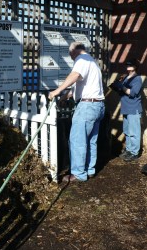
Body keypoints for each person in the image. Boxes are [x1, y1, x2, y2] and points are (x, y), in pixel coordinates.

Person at [49, 42, 105, 182]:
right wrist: (65, 96)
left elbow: (75, 75)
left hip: (87, 107)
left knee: (77, 140)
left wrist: (57, 91)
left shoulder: (81, 59)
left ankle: (78, 174)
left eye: (70, 55)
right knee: (91, 140)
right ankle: (90, 169)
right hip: (98, 106)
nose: (71, 58)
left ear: (73, 51)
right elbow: (81, 85)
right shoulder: (92, 62)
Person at [111, 59, 143, 162]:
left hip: (133, 109)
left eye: (131, 64)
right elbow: (122, 92)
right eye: (127, 64)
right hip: (125, 108)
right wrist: (116, 87)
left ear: (135, 66)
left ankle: (134, 152)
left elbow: (132, 93)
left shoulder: (137, 79)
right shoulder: (125, 77)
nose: (128, 66)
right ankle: (129, 150)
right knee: (127, 131)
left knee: (134, 132)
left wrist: (122, 87)